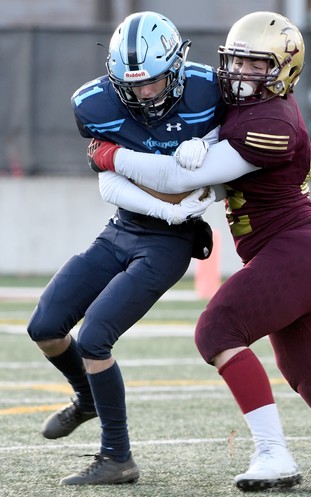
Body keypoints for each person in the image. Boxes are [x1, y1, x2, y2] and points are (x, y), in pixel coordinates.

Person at [88, 11, 311, 493]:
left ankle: (273, 453)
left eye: (256, 65)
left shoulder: (272, 118)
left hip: (295, 253)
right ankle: (275, 453)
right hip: (295, 258)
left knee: (217, 330)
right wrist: (205, 140)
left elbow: (182, 179)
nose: (241, 74)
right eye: (236, 61)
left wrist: (109, 155)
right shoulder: (243, 110)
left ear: (284, 71)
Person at [26, 11, 225, 486]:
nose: (145, 94)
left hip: (172, 243)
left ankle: (118, 458)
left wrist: (209, 151)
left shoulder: (209, 89)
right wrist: (169, 201)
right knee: (45, 326)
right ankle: (88, 397)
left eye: (154, 82)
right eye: (134, 85)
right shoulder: (95, 104)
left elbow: (231, 163)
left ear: (177, 65)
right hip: (125, 226)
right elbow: (112, 182)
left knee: (95, 337)